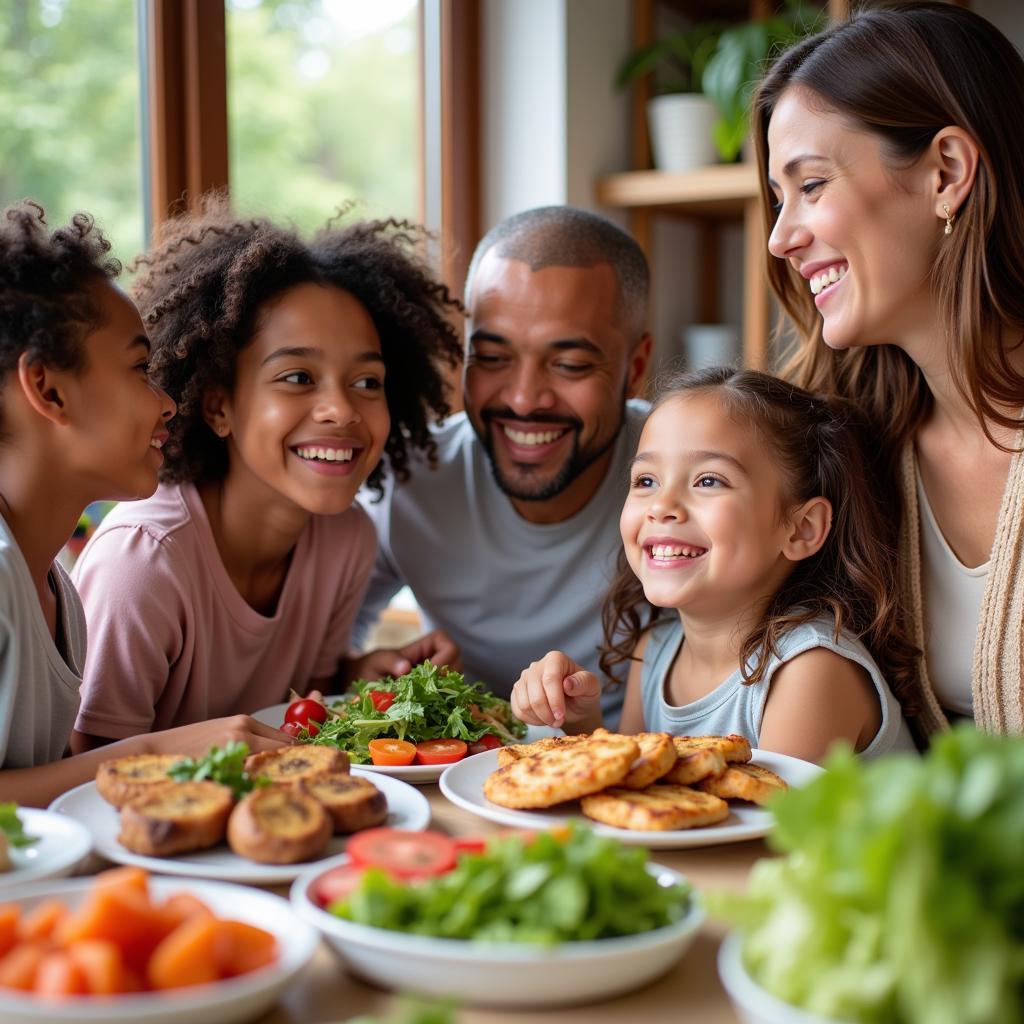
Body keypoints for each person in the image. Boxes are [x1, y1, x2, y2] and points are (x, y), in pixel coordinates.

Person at [70, 199, 461, 749]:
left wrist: (362, 672)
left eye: (367, 383)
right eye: (299, 376)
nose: (342, 411)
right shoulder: (144, 561)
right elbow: (90, 771)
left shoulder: (347, 539)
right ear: (218, 406)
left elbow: (307, 697)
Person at [755, 3, 1024, 738]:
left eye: (810, 186)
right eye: (778, 199)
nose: (781, 238)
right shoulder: (859, 446)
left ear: (947, 172)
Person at [0, 202, 290, 806]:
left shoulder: (58, 595)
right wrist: (155, 752)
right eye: (139, 368)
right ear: (48, 389)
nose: (166, 403)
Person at [511, 368, 917, 765]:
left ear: (801, 529)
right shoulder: (654, 651)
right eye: (646, 481)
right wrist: (578, 721)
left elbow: (766, 830)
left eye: (708, 481)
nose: (662, 507)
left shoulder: (810, 671)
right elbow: (634, 793)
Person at [354, 205, 653, 722]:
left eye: (570, 364)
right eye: (491, 358)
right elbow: (330, 648)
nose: (522, 399)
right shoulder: (407, 478)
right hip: (457, 776)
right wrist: (370, 669)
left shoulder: (690, 479)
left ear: (636, 369)